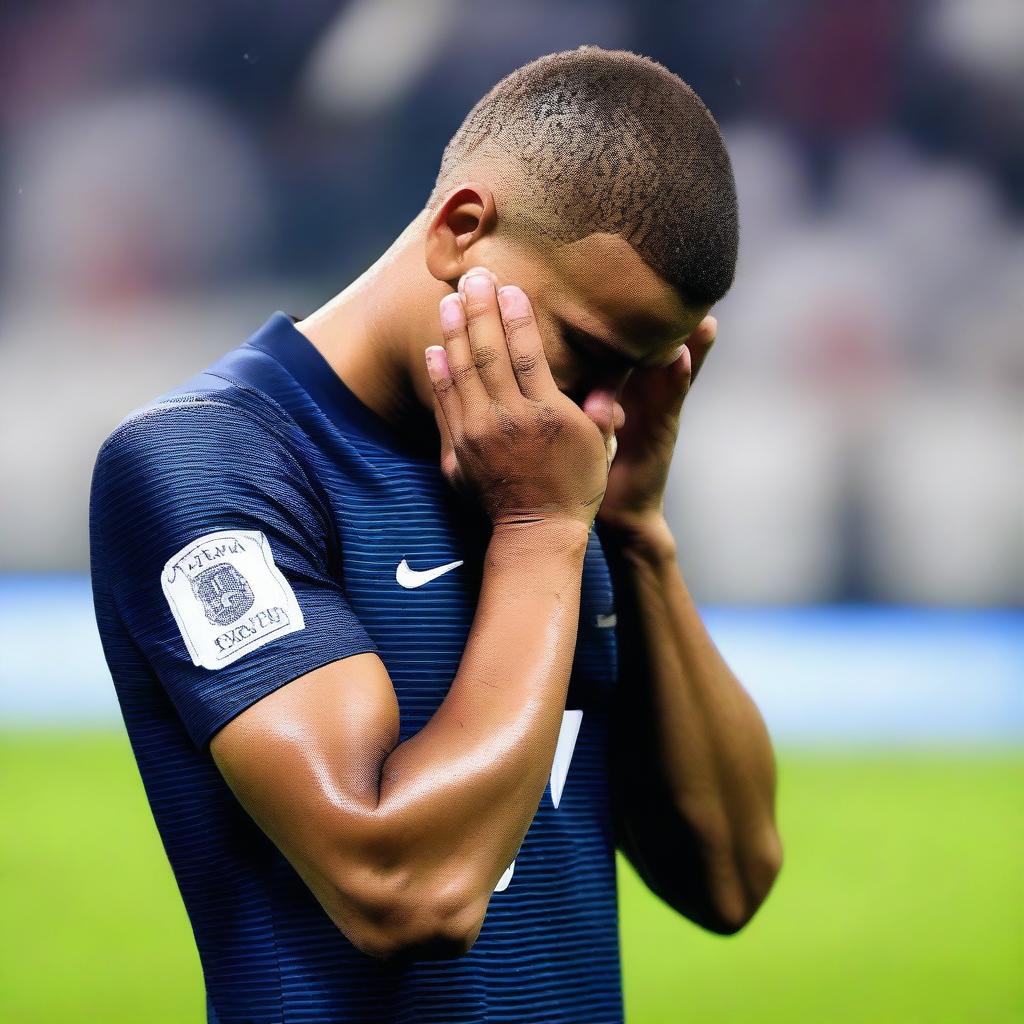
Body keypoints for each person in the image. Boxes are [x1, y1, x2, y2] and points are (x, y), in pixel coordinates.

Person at [90, 45, 781, 1024]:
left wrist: (633, 532)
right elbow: (405, 887)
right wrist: (543, 532)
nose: (603, 410)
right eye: (588, 351)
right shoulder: (209, 463)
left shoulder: (552, 469)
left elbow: (731, 875)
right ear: (462, 228)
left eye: (639, 369)